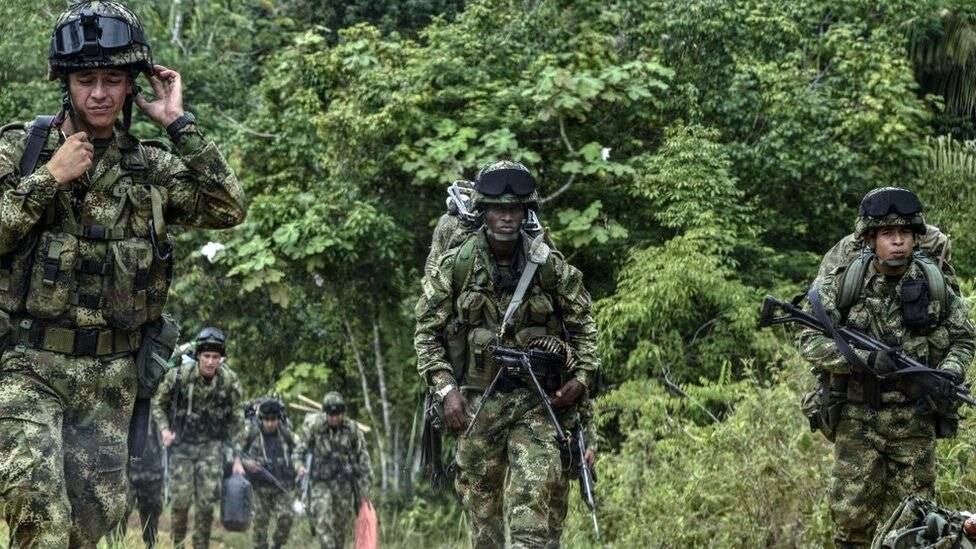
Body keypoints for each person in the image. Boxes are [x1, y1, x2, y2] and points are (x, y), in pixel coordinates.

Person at [0, 1, 246, 546]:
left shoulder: (148, 166)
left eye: (113, 80)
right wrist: (48, 179)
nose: (99, 94)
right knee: (43, 523)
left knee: (86, 532)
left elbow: (228, 206)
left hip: (112, 382)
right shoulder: (22, 150)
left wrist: (178, 123)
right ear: (65, 83)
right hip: (26, 369)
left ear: (132, 86)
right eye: (85, 80)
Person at [414, 160, 599, 547]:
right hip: (477, 404)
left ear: (524, 211)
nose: (507, 217)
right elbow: (426, 333)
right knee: (484, 526)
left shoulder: (548, 265)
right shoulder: (457, 265)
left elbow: (584, 325)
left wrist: (581, 378)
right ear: (484, 212)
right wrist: (446, 390)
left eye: (515, 209)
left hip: (537, 402)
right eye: (498, 209)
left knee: (534, 512)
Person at [798, 187, 975, 548]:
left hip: (915, 421)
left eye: (905, 233)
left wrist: (949, 374)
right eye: (888, 234)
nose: (897, 241)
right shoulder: (843, 282)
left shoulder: (934, 283)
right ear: (869, 239)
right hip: (858, 418)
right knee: (851, 526)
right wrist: (860, 360)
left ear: (915, 237)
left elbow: (964, 338)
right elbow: (808, 339)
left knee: (916, 526)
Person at [153, 327, 246, 548]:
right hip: (182, 447)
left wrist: (237, 458)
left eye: (215, 357)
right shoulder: (180, 376)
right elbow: (158, 404)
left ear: (221, 358)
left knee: (205, 505)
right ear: (198, 356)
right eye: (206, 356)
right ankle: (178, 544)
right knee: (180, 503)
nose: (211, 362)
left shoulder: (229, 381)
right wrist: (164, 430)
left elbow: (237, 420)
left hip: (211, 448)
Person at [294, 391, 372, 549]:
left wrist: (365, 489)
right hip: (320, 483)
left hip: (343, 484)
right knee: (322, 520)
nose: (334, 418)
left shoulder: (352, 430)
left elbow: (363, 459)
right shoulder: (314, 427)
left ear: (343, 413)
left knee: (340, 529)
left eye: (337, 414)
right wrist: (299, 466)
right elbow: (298, 451)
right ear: (325, 413)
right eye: (331, 414)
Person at [242, 399, 297, 549]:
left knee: (286, 517)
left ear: (279, 419)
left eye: (273, 419)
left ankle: (277, 545)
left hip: (282, 485)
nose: (270, 423)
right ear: (261, 419)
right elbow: (235, 451)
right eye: (267, 420)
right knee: (260, 524)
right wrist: (246, 463)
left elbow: (299, 451)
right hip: (259, 487)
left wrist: (299, 469)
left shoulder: (286, 434)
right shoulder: (252, 433)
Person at [108, 415, 165, 548]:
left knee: (151, 511)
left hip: (152, 465)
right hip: (123, 464)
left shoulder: (157, 406)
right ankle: (115, 546)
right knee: (119, 511)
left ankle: (151, 545)